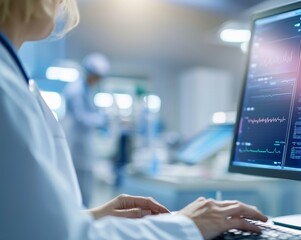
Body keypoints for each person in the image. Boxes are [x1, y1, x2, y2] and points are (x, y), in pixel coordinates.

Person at [0, 0, 268, 239]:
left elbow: (22, 223)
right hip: (81, 151)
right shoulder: (6, 86)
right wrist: (186, 225)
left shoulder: (13, 79)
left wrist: (92, 217)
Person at [62, 52, 110, 207]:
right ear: (90, 73)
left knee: (85, 192)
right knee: (80, 194)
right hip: (77, 147)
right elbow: (81, 118)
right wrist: (101, 119)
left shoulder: (86, 90)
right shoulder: (76, 90)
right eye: (96, 77)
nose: (97, 81)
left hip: (84, 148)